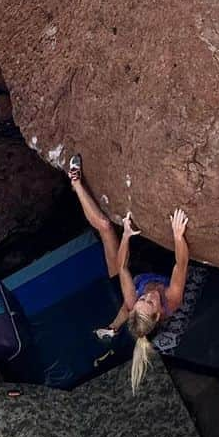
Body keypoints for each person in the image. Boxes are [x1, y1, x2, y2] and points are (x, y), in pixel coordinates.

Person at [67, 154, 190, 393]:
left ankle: (75, 182)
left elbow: (122, 267)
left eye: (143, 300)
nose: (149, 297)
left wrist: (125, 236)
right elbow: (181, 265)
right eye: (150, 302)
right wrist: (178, 237)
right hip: (144, 272)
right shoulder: (172, 300)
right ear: (157, 315)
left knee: (104, 227)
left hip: (130, 278)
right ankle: (113, 326)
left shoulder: (133, 300)